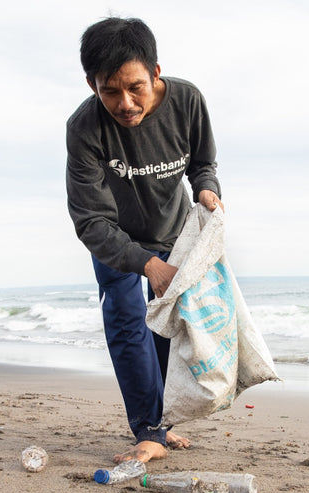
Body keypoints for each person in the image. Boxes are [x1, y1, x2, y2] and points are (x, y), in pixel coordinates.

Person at [66, 17, 224, 464]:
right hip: (114, 237)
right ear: (91, 84)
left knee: (164, 324)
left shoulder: (187, 100)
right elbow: (90, 220)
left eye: (136, 87)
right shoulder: (84, 127)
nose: (126, 103)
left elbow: (203, 161)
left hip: (172, 230)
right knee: (126, 317)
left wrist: (207, 188)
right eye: (110, 91)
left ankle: (162, 421)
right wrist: (147, 265)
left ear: (156, 72)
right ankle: (149, 429)